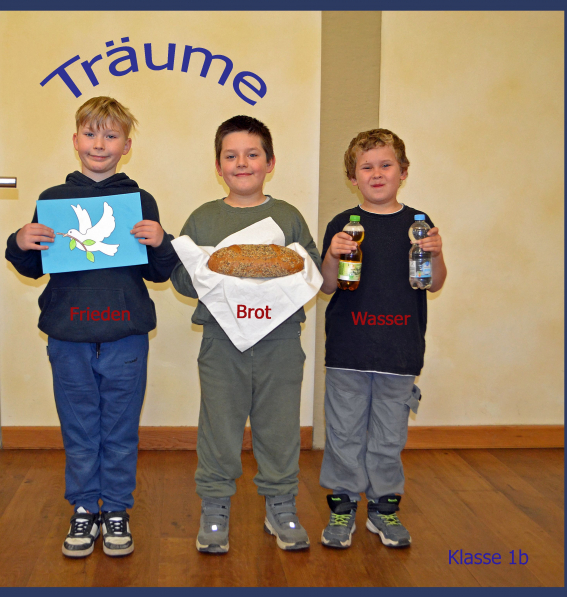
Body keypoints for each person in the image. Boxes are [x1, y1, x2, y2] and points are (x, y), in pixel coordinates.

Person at [5, 96, 179, 558]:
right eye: (90, 133)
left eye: (111, 135)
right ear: (75, 139)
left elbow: (159, 272)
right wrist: (20, 241)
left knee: (120, 429)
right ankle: (84, 508)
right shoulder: (52, 200)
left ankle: (116, 509)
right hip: (68, 337)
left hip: (126, 337)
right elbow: (32, 265)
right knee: (80, 428)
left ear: (126, 145)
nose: (99, 144)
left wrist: (162, 241)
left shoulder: (140, 201)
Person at [171, 115, 322, 554]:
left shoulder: (287, 217)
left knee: (279, 427)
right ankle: (215, 505)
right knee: (219, 426)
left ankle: (281, 503)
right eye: (231, 156)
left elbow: (310, 270)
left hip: (281, 342)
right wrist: (212, 275)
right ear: (218, 166)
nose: (242, 163)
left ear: (270, 163)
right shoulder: (203, 219)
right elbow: (180, 278)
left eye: (252, 154)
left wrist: (274, 273)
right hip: (221, 342)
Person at [318, 128, 447, 549]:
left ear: (403, 171)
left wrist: (437, 253)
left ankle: (383, 508)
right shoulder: (343, 225)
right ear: (352, 177)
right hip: (348, 352)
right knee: (344, 433)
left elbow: (434, 283)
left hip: (400, 352)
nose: (376, 174)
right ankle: (342, 507)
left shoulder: (419, 225)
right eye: (366, 167)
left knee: (389, 437)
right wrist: (332, 254)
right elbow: (327, 285)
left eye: (386, 165)